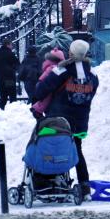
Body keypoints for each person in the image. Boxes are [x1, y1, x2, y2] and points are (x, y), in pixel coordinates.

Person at [34, 39, 99, 201]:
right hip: (80, 124)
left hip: (58, 121)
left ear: (70, 53)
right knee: (77, 152)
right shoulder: (92, 76)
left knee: (54, 148)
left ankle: (53, 183)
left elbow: (41, 90)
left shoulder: (61, 71)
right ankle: (85, 187)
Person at [30, 47, 65, 119]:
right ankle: (38, 108)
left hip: (42, 87)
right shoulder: (55, 69)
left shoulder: (49, 67)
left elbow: (42, 78)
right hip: (50, 93)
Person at [0, 39, 20, 110]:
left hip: (0, 79)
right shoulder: (10, 54)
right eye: (11, 45)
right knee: (12, 97)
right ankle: (12, 113)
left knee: (3, 98)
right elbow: (17, 65)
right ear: (7, 45)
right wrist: (13, 70)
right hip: (9, 78)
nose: (12, 46)